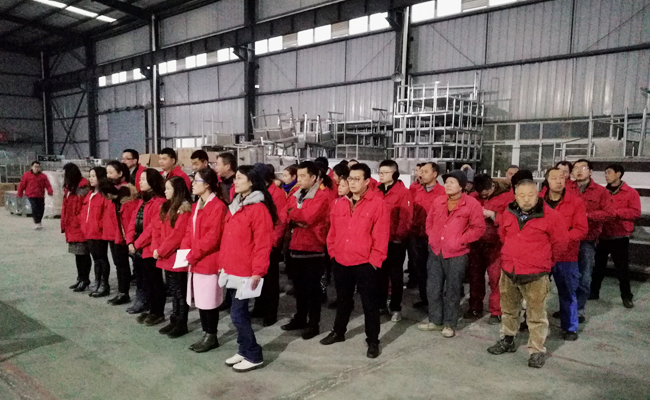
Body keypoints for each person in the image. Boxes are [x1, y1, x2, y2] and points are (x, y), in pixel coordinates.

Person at [487, 179, 568, 369]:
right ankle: (508, 339)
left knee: (536, 314)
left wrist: (544, 262)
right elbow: (503, 235)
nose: (526, 199)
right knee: (508, 309)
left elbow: (561, 243)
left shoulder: (552, 216)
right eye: (521, 195)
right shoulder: (508, 213)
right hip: (509, 270)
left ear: (538, 194)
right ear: (515, 196)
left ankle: (536, 350)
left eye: (530, 195)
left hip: (536, 274)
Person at [321, 163, 389, 359]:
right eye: (350, 178)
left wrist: (374, 261)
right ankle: (338, 332)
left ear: (367, 181)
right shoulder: (339, 203)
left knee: (370, 304)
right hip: (341, 260)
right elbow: (332, 231)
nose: (352, 183)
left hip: (365, 263)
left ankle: (373, 340)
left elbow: (381, 236)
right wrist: (333, 253)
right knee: (343, 300)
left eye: (357, 179)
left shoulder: (377, 204)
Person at [218, 165, 275, 372]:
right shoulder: (235, 206)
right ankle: (243, 349)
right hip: (231, 267)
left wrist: (258, 271)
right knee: (237, 312)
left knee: (237, 314)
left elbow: (263, 244)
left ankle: (253, 353)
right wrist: (222, 264)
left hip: (246, 271)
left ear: (251, 181)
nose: (235, 181)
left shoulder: (258, 209)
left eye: (240, 178)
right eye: (235, 178)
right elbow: (227, 239)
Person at [418, 170, 485, 338]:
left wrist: (461, 240)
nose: (447, 185)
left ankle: (449, 323)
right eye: (446, 182)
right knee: (433, 288)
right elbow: (429, 221)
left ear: (461, 186)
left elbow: (478, 228)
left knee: (453, 289)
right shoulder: (439, 201)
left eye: (452, 182)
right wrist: (432, 237)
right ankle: (435, 320)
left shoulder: (472, 204)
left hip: (457, 253)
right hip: (436, 250)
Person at [282, 161, 331, 339]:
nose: (299, 179)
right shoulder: (296, 193)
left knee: (313, 290)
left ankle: (313, 323)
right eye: (298, 176)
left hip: (313, 247)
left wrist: (295, 216)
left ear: (314, 177)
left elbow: (309, 217)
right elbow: (284, 213)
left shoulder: (322, 196)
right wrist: (297, 217)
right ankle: (300, 318)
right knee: (299, 287)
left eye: (303, 176)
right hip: (295, 245)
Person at [182, 168, 228, 353]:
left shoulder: (218, 206)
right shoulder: (197, 205)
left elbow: (213, 237)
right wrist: (185, 251)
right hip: (196, 259)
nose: (192, 184)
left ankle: (211, 335)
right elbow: (189, 232)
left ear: (207, 184)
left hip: (209, 260)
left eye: (196, 181)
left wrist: (193, 254)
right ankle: (206, 332)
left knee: (209, 301)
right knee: (201, 300)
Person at [543, 168, 588, 341]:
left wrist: (561, 239)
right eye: (554, 178)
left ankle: (569, 327)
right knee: (536, 292)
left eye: (562, 177)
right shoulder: (537, 201)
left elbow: (581, 229)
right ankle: (530, 321)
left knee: (568, 292)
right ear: (547, 180)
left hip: (566, 255)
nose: (558, 181)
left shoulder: (575, 202)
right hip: (542, 255)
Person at [567, 159, 614, 322]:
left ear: (591, 171)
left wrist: (587, 215)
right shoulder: (566, 188)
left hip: (587, 240)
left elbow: (609, 213)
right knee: (566, 276)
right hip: (567, 239)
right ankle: (566, 307)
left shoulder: (601, 192)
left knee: (584, 277)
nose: (579, 171)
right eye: (575, 168)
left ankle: (579, 310)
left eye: (583, 167)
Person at [590, 164, 641, 308]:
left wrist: (615, 213)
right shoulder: (602, 192)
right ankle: (594, 292)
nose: (606, 175)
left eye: (609, 172)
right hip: (603, 234)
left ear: (618, 174)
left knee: (622, 269)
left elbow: (635, 212)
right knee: (598, 267)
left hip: (620, 236)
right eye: (605, 173)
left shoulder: (630, 193)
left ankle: (626, 296)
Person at [464, 174, 511, 323]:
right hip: (476, 244)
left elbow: (511, 219)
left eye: (486, 192)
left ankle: (496, 311)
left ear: (492, 185)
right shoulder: (473, 197)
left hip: (496, 245)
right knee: (475, 277)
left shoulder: (507, 197)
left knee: (495, 279)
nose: (483, 195)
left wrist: (493, 215)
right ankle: (475, 306)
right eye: (481, 193)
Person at [152, 176, 193, 338]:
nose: (165, 191)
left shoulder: (184, 210)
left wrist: (161, 250)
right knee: (173, 290)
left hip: (176, 255)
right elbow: (159, 229)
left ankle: (181, 323)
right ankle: (174, 319)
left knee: (179, 292)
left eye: (168, 188)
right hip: (167, 255)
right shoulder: (168, 207)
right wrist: (157, 248)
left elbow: (177, 235)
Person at [126, 169, 166, 316]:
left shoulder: (159, 202)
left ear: (152, 181)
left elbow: (152, 228)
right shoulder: (142, 201)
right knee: (142, 278)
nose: (140, 182)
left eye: (143, 179)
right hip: (138, 248)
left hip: (149, 248)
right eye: (140, 179)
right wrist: (129, 241)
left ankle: (156, 311)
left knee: (154, 281)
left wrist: (137, 244)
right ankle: (146, 304)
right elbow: (133, 221)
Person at [250, 163, 286, 327]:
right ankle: (259, 306)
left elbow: (280, 220)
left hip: (270, 242)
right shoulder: (258, 192)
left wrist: (273, 242)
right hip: (258, 241)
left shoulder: (276, 193)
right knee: (259, 276)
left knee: (270, 280)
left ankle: (271, 312)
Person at [377, 160, 413, 322]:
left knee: (395, 274)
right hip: (379, 240)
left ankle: (396, 307)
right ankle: (381, 304)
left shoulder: (403, 192)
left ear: (394, 174)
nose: (381, 175)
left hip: (395, 241)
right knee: (380, 274)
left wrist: (398, 237)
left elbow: (406, 218)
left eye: (385, 172)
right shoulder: (376, 191)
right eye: (380, 172)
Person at [100, 161, 139, 305]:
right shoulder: (111, 192)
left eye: (111, 173)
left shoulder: (127, 191)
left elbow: (128, 216)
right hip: (114, 233)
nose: (108, 176)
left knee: (125, 264)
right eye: (107, 173)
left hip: (125, 234)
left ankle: (125, 293)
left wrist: (129, 237)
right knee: (119, 263)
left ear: (120, 173)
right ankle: (122, 292)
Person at [410, 162, 446, 308]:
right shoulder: (416, 191)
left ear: (435, 174)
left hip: (434, 238)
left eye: (425, 171)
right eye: (421, 171)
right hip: (417, 235)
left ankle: (435, 300)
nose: (421, 174)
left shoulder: (443, 193)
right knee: (420, 269)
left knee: (435, 271)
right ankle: (424, 298)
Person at [80, 167, 111, 298]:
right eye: (90, 176)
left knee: (102, 259)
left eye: (94, 176)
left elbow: (106, 216)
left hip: (99, 233)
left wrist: (99, 227)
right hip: (89, 232)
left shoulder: (104, 195)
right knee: (96, 259)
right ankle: (97, 282)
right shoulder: (90, 194)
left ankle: (104, 284)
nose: (91, 179)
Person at [61, 163, 91, 292]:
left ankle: (85, 279)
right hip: (71, 226)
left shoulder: (83, 189)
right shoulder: (69, 188)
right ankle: (80, 278)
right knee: (78, 255)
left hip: (80, 227)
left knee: (83, 255)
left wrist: (80, 222)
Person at [17, 161, 53, 230]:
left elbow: (48, 185)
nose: (37, 168)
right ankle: (36, 222)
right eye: (35, 167)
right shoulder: (26, 175)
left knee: (41, 209)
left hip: (40, 195)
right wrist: (19, 193)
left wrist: (50, 191)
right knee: (34, 207)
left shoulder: (43, 176)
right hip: (31, 195)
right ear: (32, 167)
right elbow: (22, 185)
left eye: (38, 167)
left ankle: (39, 221)